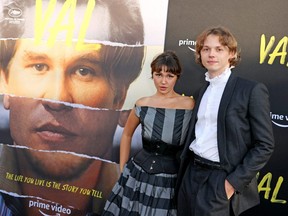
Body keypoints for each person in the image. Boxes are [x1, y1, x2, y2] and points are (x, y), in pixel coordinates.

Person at [0, 0, 145, 215]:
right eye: (39, 66)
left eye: (84, 71)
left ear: (120, 96)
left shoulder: (141, 203)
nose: (57, 99)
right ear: (5, 83)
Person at [176, 26, 275, 216]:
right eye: (206, 49)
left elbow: (265, 145)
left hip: (219, 181)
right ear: (200, 54)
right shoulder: (202, 91)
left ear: (231, 53)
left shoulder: (250, 90)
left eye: (219, 49)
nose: (211, 54)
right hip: (191, 175)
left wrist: (232, 184)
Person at [102, 50, 195, 216]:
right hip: (136, 174)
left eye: (169, 76)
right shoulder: (142, 104)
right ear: (152, 75)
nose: (163, 81)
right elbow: (127, 134)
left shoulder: (189, 105)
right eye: (158, 74)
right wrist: (123, 169)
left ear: (177, 77)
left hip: (169, 180)